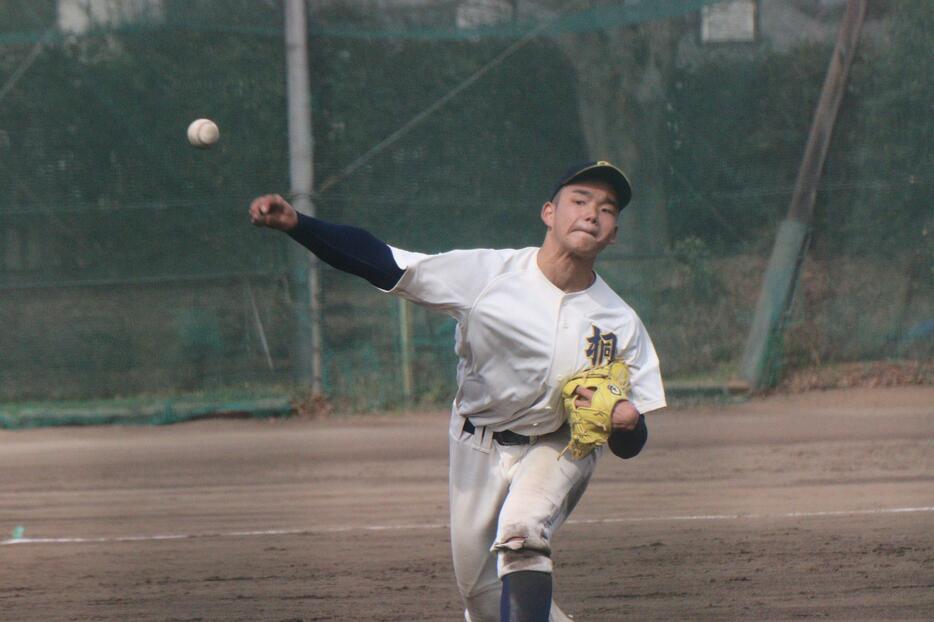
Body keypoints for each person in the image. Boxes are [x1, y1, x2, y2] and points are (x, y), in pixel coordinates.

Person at [249, 161, 666, 622]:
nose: (592, 214)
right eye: (580, 200)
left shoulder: (619, 322)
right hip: (476, 444)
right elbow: (384, 262)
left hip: (559, 444)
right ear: (549, 212)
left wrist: (626, 423)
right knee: (481, 597)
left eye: (606, 209)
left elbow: (632, 440)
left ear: (614, 234)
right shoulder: (487, 276)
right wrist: (297, 225)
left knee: (522, 533)